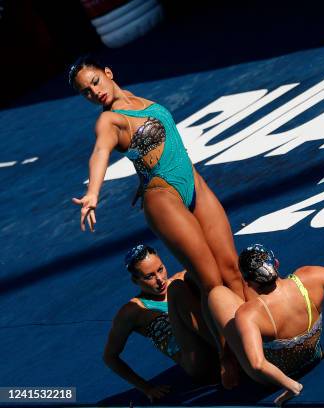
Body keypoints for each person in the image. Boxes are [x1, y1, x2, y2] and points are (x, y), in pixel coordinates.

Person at [68, 56, 244, 386]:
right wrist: (93, 193)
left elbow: (150, 143)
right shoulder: (108, 121)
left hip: (194, 184)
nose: (94, 93)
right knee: (210, 282)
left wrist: (142, 171)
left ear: (108, 73)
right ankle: (229, 356)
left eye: (95, 82)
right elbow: (101, 152)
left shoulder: (134, 98)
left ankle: (254, 332)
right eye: (85, 93)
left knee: (231, 269)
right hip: (164, 199)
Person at [207, 244, 324, 406]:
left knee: (217, 294)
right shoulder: (310, 278)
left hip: (274, 377)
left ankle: (226, 356)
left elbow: (258, 364)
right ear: (276, 264)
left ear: (248, 283)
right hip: (313, 356)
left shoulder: (247, 314)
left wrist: (291, 386)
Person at [103, 244, 219, 402]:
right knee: (177, 289)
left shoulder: (180, 278)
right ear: (135, 280)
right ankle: (228, 353)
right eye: (149, 276)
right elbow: (110, 357)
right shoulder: (133, 310)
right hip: (199, 362)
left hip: (216, 343)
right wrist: (146, 388)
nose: (160, 279)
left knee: (199, 273)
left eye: (160, 269)